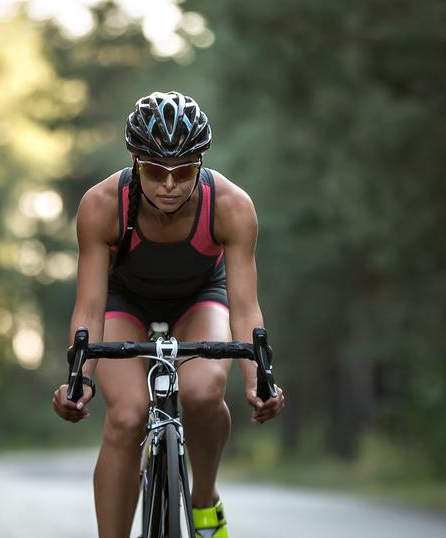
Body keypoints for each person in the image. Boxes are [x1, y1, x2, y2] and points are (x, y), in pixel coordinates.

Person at [52, 90, 285, 538]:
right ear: (135, 161)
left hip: (200, 297)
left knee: (203, 390)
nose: (170, 184)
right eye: (156, 170)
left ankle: (204, 501)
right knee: (126, 414)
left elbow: (243, 307)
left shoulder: (232, 207)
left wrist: (258, 379)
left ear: (201, 163)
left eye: (185, 171)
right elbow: (90, 306)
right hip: (125, 303)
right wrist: (79, 378)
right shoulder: (101, 206)